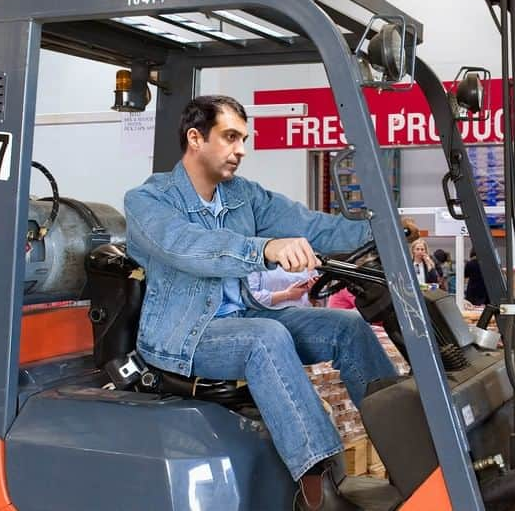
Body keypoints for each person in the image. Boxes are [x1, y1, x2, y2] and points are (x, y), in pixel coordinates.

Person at [124, 95, 397, 511]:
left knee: (345, 327)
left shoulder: (242, 196)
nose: (242, 150)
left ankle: (406, 451)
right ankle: (318, 488)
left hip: (244, 316)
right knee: (264, 338)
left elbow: (311, 225)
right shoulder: (148, 202)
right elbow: (190, 248)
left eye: (244, 139)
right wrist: (266, 248)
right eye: (231, 137)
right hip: (184, 336)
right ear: (195, 138)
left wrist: (382, 232)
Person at [248, 267, 319, 309]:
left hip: (305, 315)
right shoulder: (254, 265)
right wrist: (286, 295)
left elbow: (316, 302)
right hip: (275, 319)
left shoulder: (308, 262)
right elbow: (249, 299)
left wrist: (312, 291)